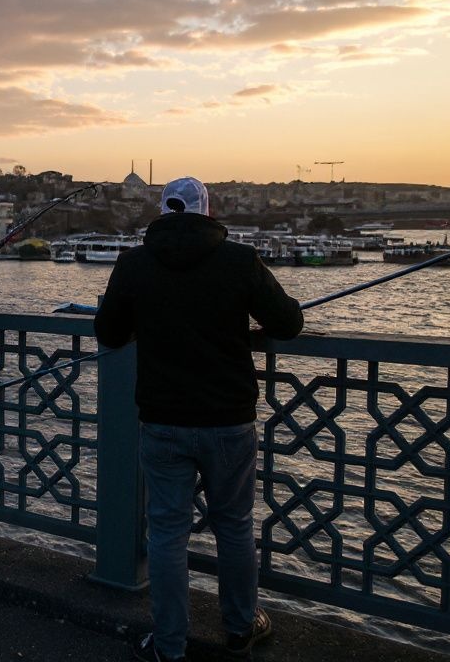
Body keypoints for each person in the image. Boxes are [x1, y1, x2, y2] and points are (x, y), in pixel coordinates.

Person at [94, 177, 303, 662]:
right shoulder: (238, 260)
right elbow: (287, 324)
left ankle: (169, 644)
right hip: (228, 420)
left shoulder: (135, 264)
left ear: (163, 211)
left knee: (167, 532)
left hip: (164, 420)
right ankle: (239, 626)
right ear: (207, 212)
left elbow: (109, 331)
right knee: (233, 525)